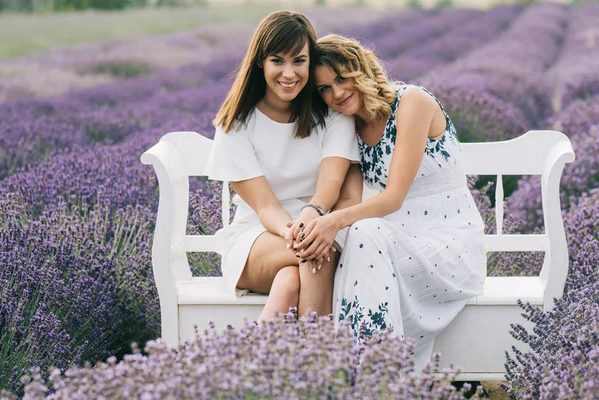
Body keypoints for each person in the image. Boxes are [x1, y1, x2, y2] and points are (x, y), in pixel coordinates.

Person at [292, 34, 487, 369]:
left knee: (363, 233)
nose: (336, 93)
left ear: (361, 68)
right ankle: (372, 368)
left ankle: (359, 370)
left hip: (449, 244)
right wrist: (312, 227)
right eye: (324, 88)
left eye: (341, 79)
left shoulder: (413, 101)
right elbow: (348, 195)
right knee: (360, 235)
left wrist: (331, 222)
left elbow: (393, 197)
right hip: (396, 244)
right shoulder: (348, 127)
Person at [204, 12, 360, 323]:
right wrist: (296, 231)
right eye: (278, 61)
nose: (289, 73)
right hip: (257, 238)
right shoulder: (236, 123)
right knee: (317, 252)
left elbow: (331, 182)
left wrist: (312, 216)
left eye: (299, 61)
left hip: (318, 225)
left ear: (310, 62)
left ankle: (258, 367)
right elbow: (264, 205)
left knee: (291, 280)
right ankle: (319, 357)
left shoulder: (331, 115)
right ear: (260, 62)